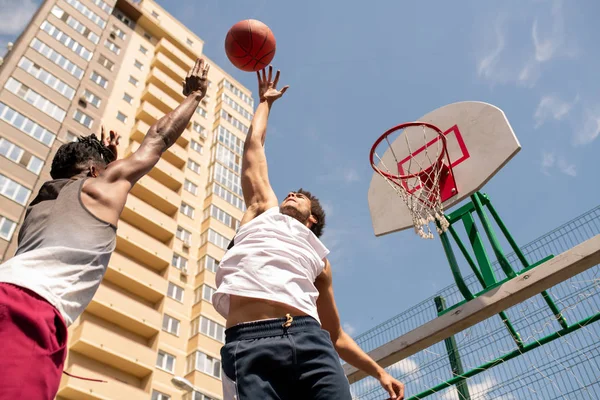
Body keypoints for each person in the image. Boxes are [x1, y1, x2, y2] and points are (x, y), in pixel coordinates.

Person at [0, 58, 210, 400]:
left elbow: (81, 183)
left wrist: (108, 161)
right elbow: (157, 139)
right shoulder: (99, 187)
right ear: (98, 172)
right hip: (31, 311)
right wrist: (195, 96)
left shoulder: (41, 203)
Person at [213, 66, 405, 400]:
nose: (290, 195)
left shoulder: (319, 259)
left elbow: (336, 334)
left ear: (313, 219)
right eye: (290, 193)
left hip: (310, 341)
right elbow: (253, 148)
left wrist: (379, 371)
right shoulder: (262, 209)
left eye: (299, 196)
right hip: (249, 341)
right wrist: (266, 103)